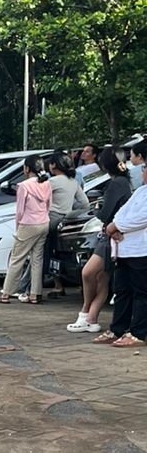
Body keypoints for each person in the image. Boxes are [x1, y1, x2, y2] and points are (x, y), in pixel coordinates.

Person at [68, 148, 131, 333]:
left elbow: (104, 213)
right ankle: (90, 318)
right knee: (102, 278)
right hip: (113, 235)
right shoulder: (123, 181)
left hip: (110, 236)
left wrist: (96, 209)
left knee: (88, 273)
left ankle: (85, 312)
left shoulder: (116, 183)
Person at [97, 175, 147, 347]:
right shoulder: (141, 191)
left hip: (142, 250)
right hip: (125, 248)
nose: (143, 173)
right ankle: (118, 329)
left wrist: (117, 226)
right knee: (122, 290)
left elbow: (142, 218)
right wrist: (114, 226)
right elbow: (122, 211)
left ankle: (138, 333)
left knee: (142, 293)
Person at [0, 157, 52, 304]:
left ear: (27, 169)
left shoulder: (23, 186)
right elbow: (48, 204)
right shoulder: (46, 183)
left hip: (28, 224)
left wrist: (18, 227)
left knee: (17, 259)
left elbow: (20, 211)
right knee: (37, 259)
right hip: (44, 222)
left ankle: (6, 294)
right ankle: (34, 294)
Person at [42, 152, 90, 297]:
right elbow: (85, 203)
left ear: (54, 165)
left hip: (51, 219)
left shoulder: (52, 182)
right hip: (66, 222)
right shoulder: (73, 182)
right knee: (60, 253)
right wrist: (70, 210)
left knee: (47, 253)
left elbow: (41, 200)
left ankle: (57, 285)